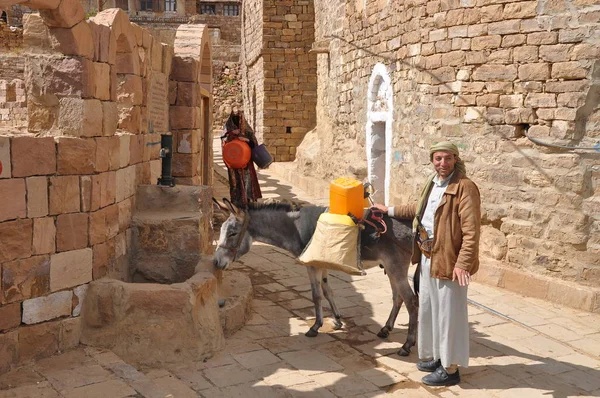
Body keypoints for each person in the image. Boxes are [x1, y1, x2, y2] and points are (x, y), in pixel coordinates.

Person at [374, 141, 481, 387]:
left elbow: (471, 230)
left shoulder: (465, 188)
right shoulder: (432, 184)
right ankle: (438, 358)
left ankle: (451, 369)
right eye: (438, 159)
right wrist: (388, 209)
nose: (442, 163)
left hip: (449, 260)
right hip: (427, 255)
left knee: (449, 315)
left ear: (455, 159)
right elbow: (418, 209)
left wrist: (462, 263)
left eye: (447, 159)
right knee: (431, 309)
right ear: (432, 160)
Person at [221, 110, 262, 207]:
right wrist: (231, 134)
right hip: (233, 164)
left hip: (246, 164)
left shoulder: (246, 130)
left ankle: (247, 202)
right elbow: (223, 141)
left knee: (247, 182)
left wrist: (245, 140)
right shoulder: (227, 129)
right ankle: (236, 203)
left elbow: (254, 144)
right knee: (235, 184)